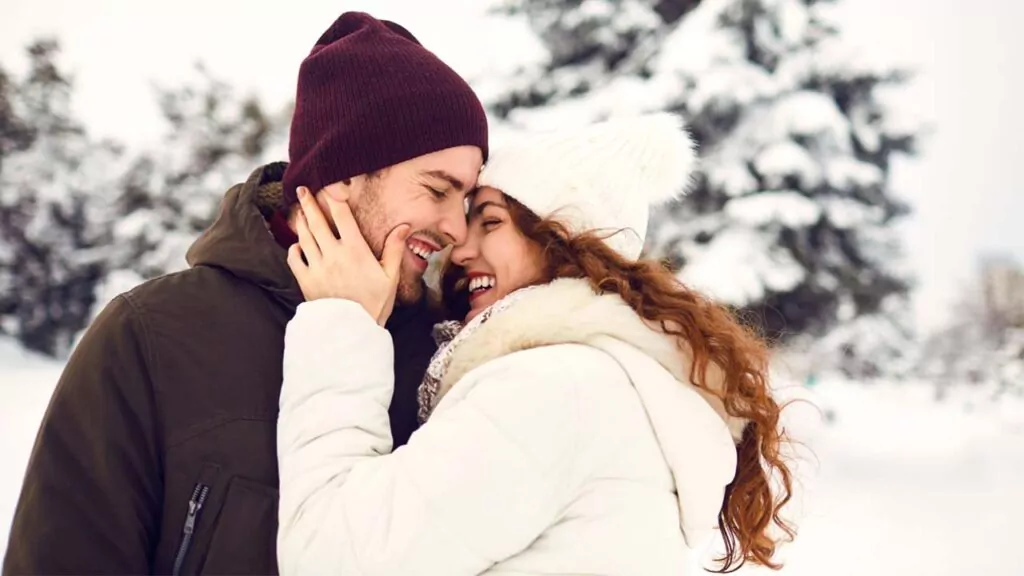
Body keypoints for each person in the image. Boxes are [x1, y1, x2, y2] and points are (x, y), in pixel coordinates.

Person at [2, 11, 487, 575]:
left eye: (469, 200)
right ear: (344, 175)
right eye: (436, 189)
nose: (456, 227)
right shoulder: (152, 336)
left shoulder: (447, 354)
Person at [276, 113, 796, 575]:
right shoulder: (610, 383)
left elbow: (333, 556)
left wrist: (340, 322)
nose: (460, 249)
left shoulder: (554, 389)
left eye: (492, 223)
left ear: (567, 241)